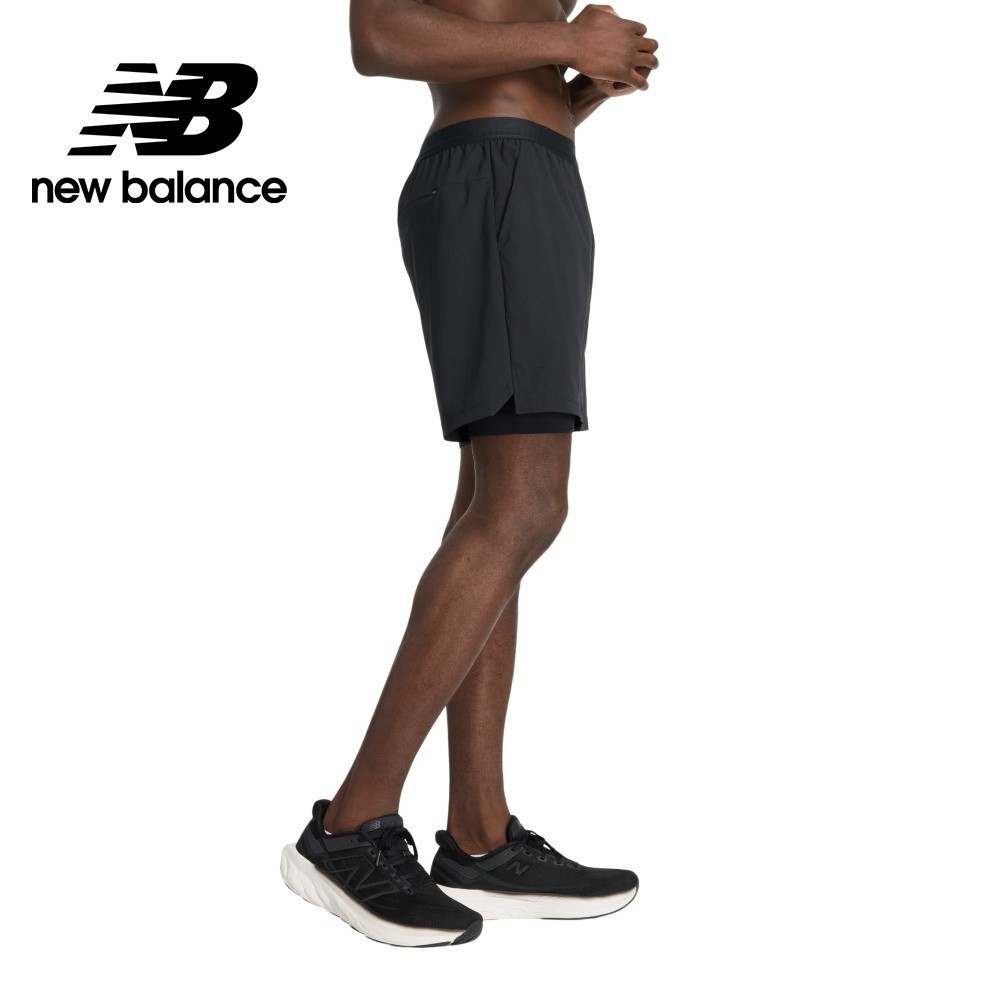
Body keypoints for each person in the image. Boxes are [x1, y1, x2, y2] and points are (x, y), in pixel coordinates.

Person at [280, 0, 659, 947]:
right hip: (496, 179)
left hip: (534, 168)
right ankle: (349, 827)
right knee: (525, 508)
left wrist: (578, 91)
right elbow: (380, 36)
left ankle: (481, 837)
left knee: (497, 508)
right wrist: (568, 40)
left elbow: (496, 50)